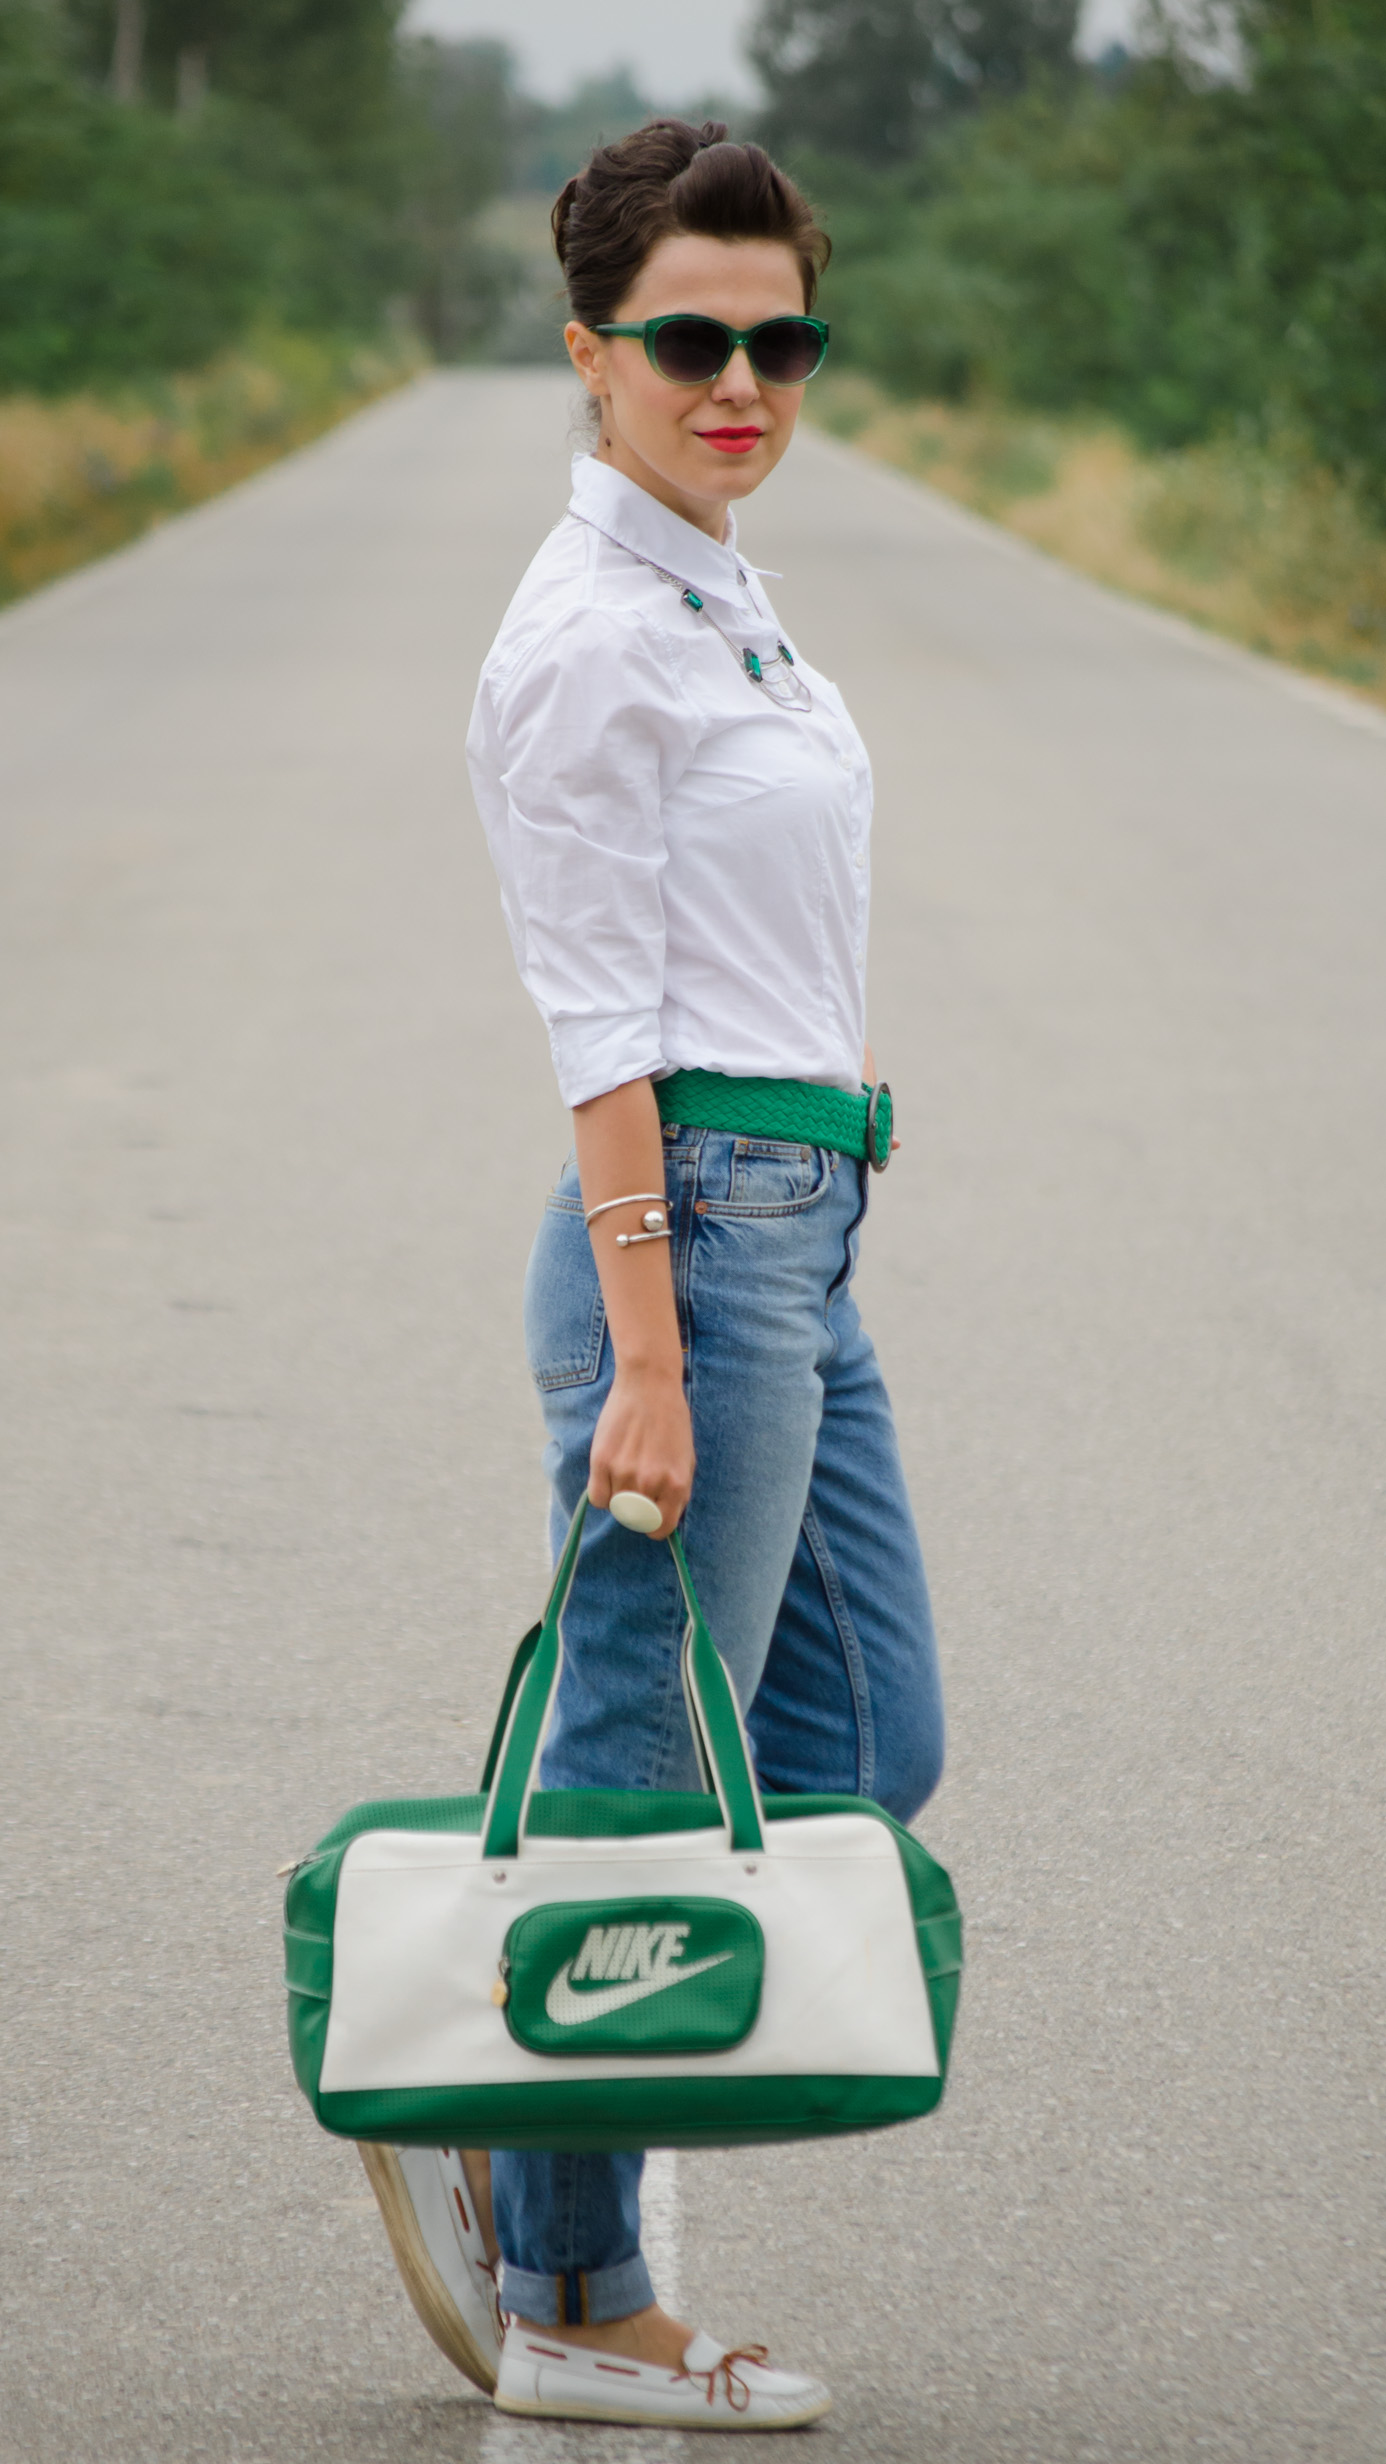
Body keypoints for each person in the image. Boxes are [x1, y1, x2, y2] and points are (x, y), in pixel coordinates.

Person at [360, 117, 945, 2431]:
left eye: (782, 336)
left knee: (861, 1757)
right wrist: (652, 1345)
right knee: (625, 1785)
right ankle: (576, 2289)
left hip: (799, 1223)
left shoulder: (719, 569)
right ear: (589, 349)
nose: (745, 378)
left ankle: (502, 2132)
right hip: (691, 1242)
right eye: (692, 340)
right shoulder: (587, 634)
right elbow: (603, 1025)